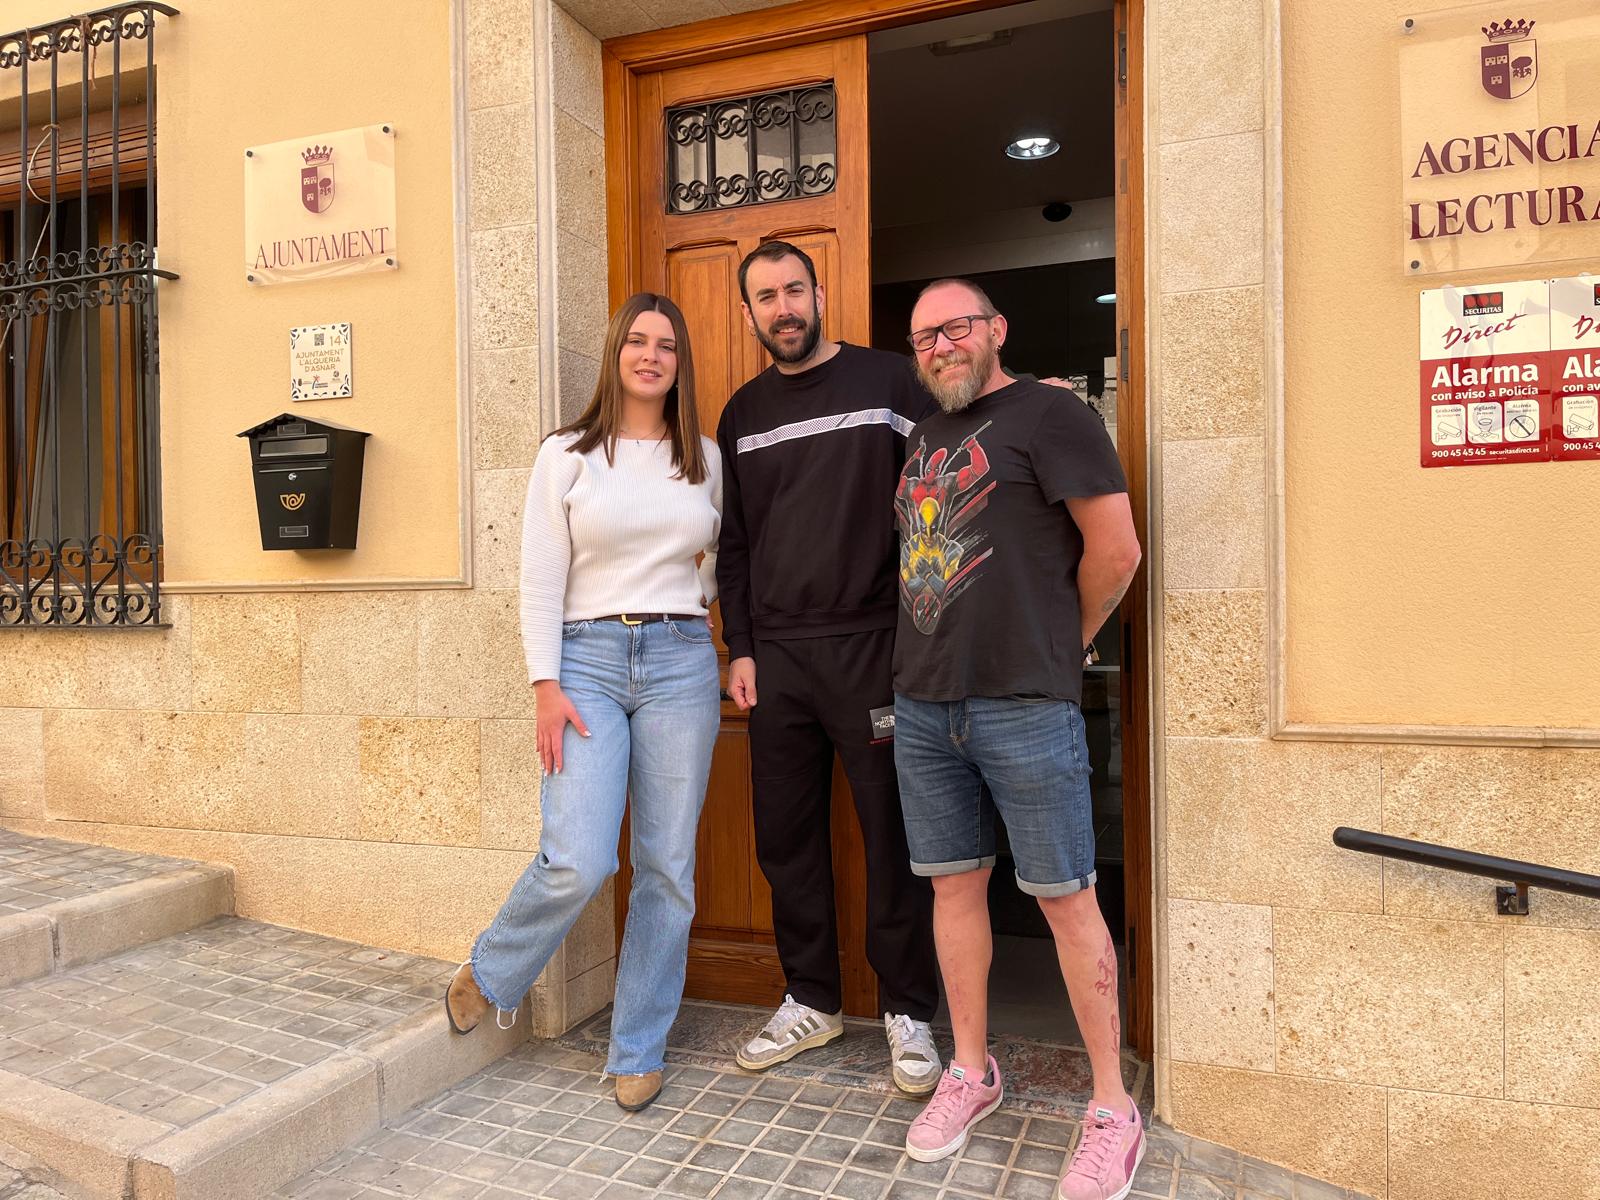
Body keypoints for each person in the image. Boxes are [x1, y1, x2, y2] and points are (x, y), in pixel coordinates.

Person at [892, 278, 1145, 1200]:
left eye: (956, 327)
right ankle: (971, 1071)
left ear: (997, 329)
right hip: (925, 705)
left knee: (1067, 900)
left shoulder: (1052, 414)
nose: (940, 345)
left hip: (1025, 704)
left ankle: (1112, 1107)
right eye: (924, 336)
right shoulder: (923, 436)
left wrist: (1060, 645)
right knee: (953, 891)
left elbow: (1116, 551)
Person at [444, 293, 722, 1115]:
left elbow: (720, 558)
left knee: (668, 869)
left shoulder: (704, 457)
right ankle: (494, 968)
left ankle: (638, 1047)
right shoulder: (566, 454)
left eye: (665, 344)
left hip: (680, 661)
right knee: (580, 857)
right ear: (615, 353)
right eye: (637, 340)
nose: (650, 355)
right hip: (587, 660)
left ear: (680, 362)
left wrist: (705, 614)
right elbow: (540, 576)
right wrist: (545, 684)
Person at [716, 241, 943, 1095]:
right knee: (786, 838)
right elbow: (735, 545)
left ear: (818, 293)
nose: (783, 308)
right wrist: (740, 644)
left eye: (794, 290)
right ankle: (811, 997)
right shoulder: (740, 415)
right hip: (776, 660)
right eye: (766, 297)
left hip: (876, 648)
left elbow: (937, 506)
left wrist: (920, 636)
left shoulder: (891, 384)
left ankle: (907, 1009)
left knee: (892, 836)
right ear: (748, 313)